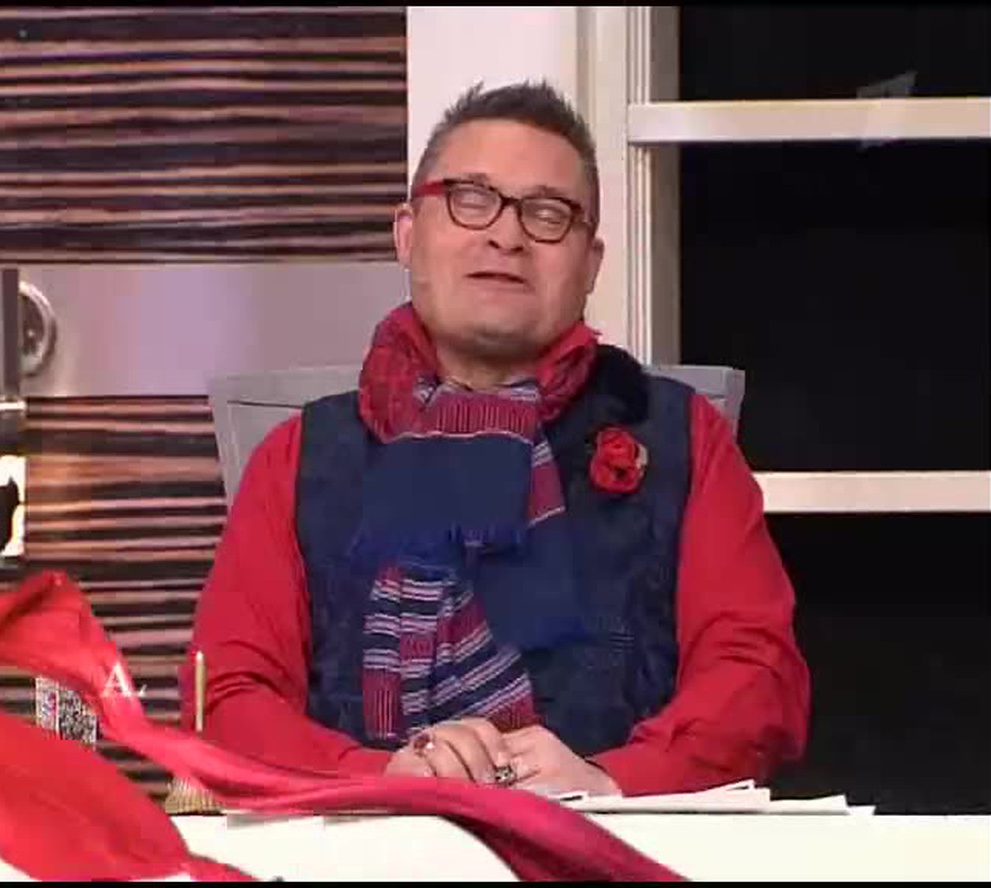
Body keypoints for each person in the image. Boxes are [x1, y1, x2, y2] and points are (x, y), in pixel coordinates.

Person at [181, 81, 810, 797]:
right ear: (407, 234)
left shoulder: (683, 437)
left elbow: (756, 679)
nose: (507, 236)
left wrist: (607, 782)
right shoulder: (299, 457)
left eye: (547, 213)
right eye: (471, 199)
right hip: (361, 837)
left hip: (612, 841)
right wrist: (385, 779)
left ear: (591, 264)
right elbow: (225, 700)